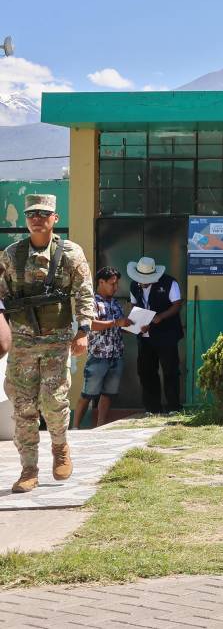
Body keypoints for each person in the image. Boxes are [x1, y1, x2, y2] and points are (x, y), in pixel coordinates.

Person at [0, 194, 94, 493]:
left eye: (43, 213)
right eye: (31, 214)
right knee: (23, 406)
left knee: (54, 401)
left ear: (55, 218)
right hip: (22, 341)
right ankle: (29, 468)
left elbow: (84, 292)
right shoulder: (11, 254)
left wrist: (84, 330)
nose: (37, 218)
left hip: (56, 340)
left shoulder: (69, 253)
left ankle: (60, 447)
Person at [74, 267, 131, 429]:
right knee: (87, 394)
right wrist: (116, 323)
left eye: (117, 284)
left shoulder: (115, 303)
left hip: (116, 354)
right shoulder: (92, 302)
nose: (116, 287)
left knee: (108, 394)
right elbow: (90, 324)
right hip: (98, 356)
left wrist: (133, 327)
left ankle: (100, 427)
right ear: (101, 282)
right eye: (112, 284)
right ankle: (75, 427)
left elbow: (119, 327)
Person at [127, 256, 184, 414]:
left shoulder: (169, 283)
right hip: (145, 337)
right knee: (146, 371)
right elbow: (133, 305)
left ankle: (173, 407)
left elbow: (177, 305)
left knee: (170, 370)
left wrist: (161, 317)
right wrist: (137, 323)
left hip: (167, 335)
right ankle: (152, 408)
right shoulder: (134, 285)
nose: (142, 281)